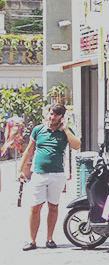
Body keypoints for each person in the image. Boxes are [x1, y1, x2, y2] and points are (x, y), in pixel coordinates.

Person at [18, 103, 81, 251]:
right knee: (35, 207)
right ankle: (32, 240)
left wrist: (65, 129)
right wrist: (21, 169)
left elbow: (77, 145)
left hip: (57, 174)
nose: (52, 117)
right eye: (50, 114)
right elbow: (29, 150)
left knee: (53, 207)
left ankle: (50, 238)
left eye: (55, 115)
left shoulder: (65, 131)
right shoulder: (38, 130)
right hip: (39, 173)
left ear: (61, 116)